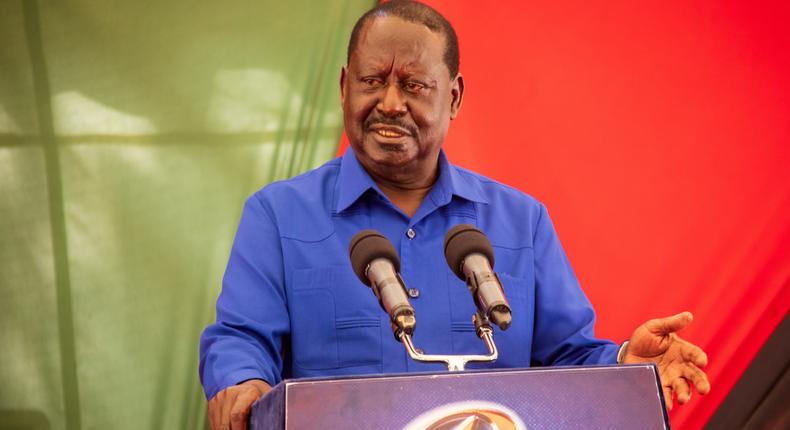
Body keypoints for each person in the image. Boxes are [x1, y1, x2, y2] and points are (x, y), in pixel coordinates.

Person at [199, 1, 711, 429]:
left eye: (414, 85)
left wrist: (628, 367)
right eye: (372, 80)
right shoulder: (278, 214)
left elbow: (569, 361)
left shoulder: (521, 221)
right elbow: (241, 340)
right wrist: (243, 384)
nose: (390, 103)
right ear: (343, 87)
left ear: (455, 96)